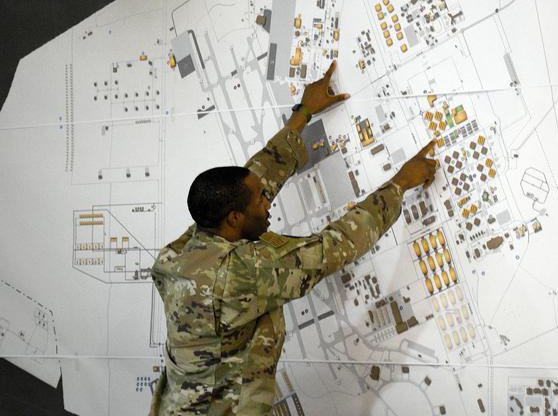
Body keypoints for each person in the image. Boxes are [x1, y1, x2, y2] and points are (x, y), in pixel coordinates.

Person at [149, 61, 437, 415]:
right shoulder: (242, 274)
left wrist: (303, 114)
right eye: (260, 201)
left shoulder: (183, 251)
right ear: (236, 218)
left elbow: (254, 179)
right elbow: (332, 247)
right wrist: (399, 185)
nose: (267, 200)